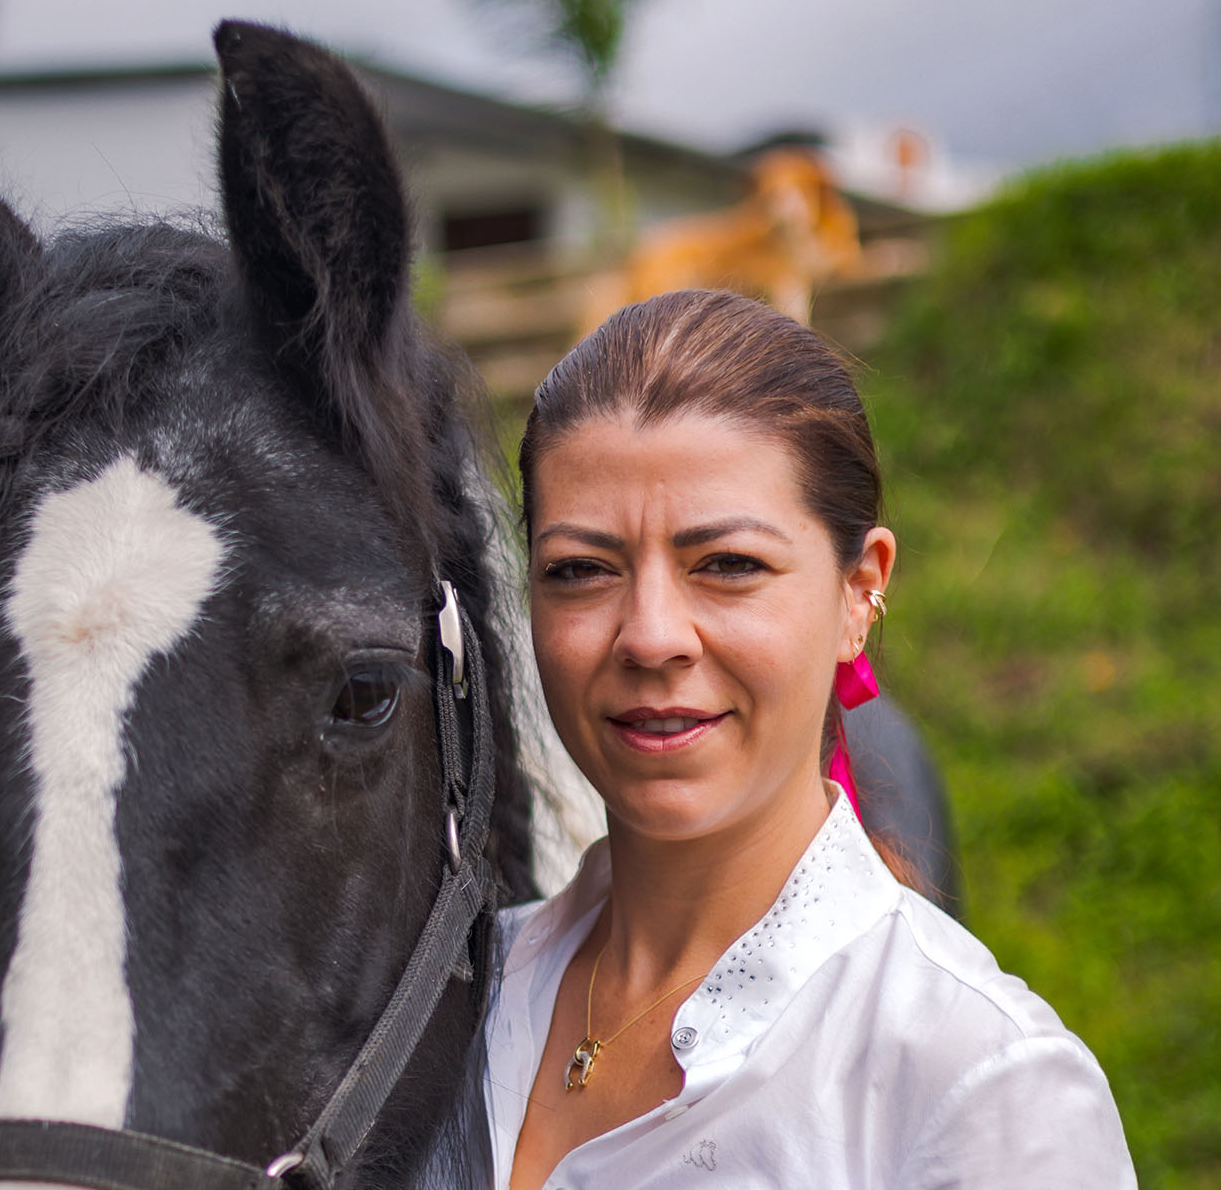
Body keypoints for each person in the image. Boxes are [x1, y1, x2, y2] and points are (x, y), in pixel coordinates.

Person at [484, 290, 1133, 1188]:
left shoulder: (984, 1086)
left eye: (729, 566)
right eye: (582, 571)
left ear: (860, 591)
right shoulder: (449, 1003)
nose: (651, 635)